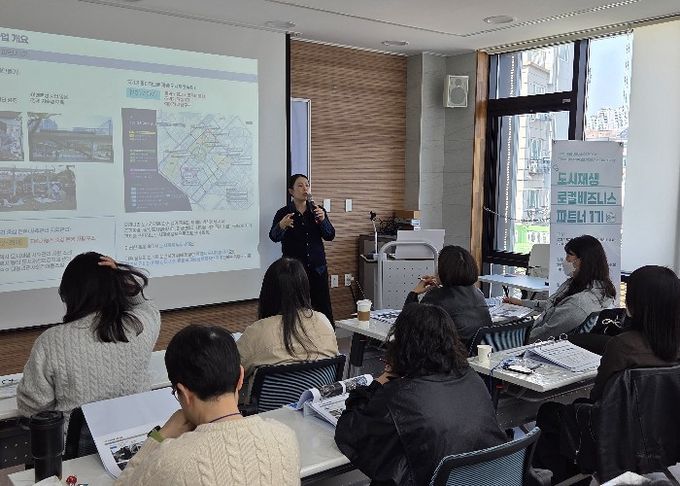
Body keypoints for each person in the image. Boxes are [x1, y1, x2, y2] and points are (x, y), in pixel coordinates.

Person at [533, 265, 680, 482]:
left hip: (613, 439)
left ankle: (561, 478)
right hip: (665, 438)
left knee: (549, 413)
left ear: (636, 303)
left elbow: (599, 397)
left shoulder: (623, 345)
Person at [334, 303, 506, 486]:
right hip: (485, 479)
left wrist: (377, 383)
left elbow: (349, 432)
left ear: (402, 345)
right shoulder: (472, 379)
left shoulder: (398, 396)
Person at [116, 325, 300, 485]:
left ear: (184, 393)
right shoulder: (285, 438)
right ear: (240, 378)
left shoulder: (170, 461)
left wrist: (160, 437)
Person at [17, 253, 160, 432]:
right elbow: (147, 307)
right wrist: (122, 276)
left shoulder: (51, 342)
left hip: (75, 447)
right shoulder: (140, 326)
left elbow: (32, 407)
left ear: (70, 295)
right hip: (138, 439)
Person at [237, 257, 338, 402]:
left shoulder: (257, 332)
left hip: (268, 416)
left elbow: (231, 374)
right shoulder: (324, 322)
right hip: (314, 411)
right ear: (305, 288)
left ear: (267, 292)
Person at [504, 235, 616, 341]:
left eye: (569, 255)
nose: (565, 260)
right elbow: (554, 305)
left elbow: (543, 334)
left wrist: (509, 338)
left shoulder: (578, 303)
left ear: (584, 260)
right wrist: (521, 303)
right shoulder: (595, 287)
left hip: (539, 343)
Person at [269, 173, 335, 325]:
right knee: (295, 309)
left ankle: (327, 336)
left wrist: (323, 220)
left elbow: (330, 235)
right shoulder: (283, 213)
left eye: (307, 185)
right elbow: (273, 237)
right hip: (294, 271)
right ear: (291, 191)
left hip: (318, 269)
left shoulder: (318, 210)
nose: (305, 188)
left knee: (323, 307)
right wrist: (281, 226)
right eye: (300, 185)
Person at [404, 245, 492, 350]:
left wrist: (414, 293)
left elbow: (409, 324)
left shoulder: (436, 296)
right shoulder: (478, 293)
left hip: (446, 356)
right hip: (474, 355)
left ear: (443, 270)